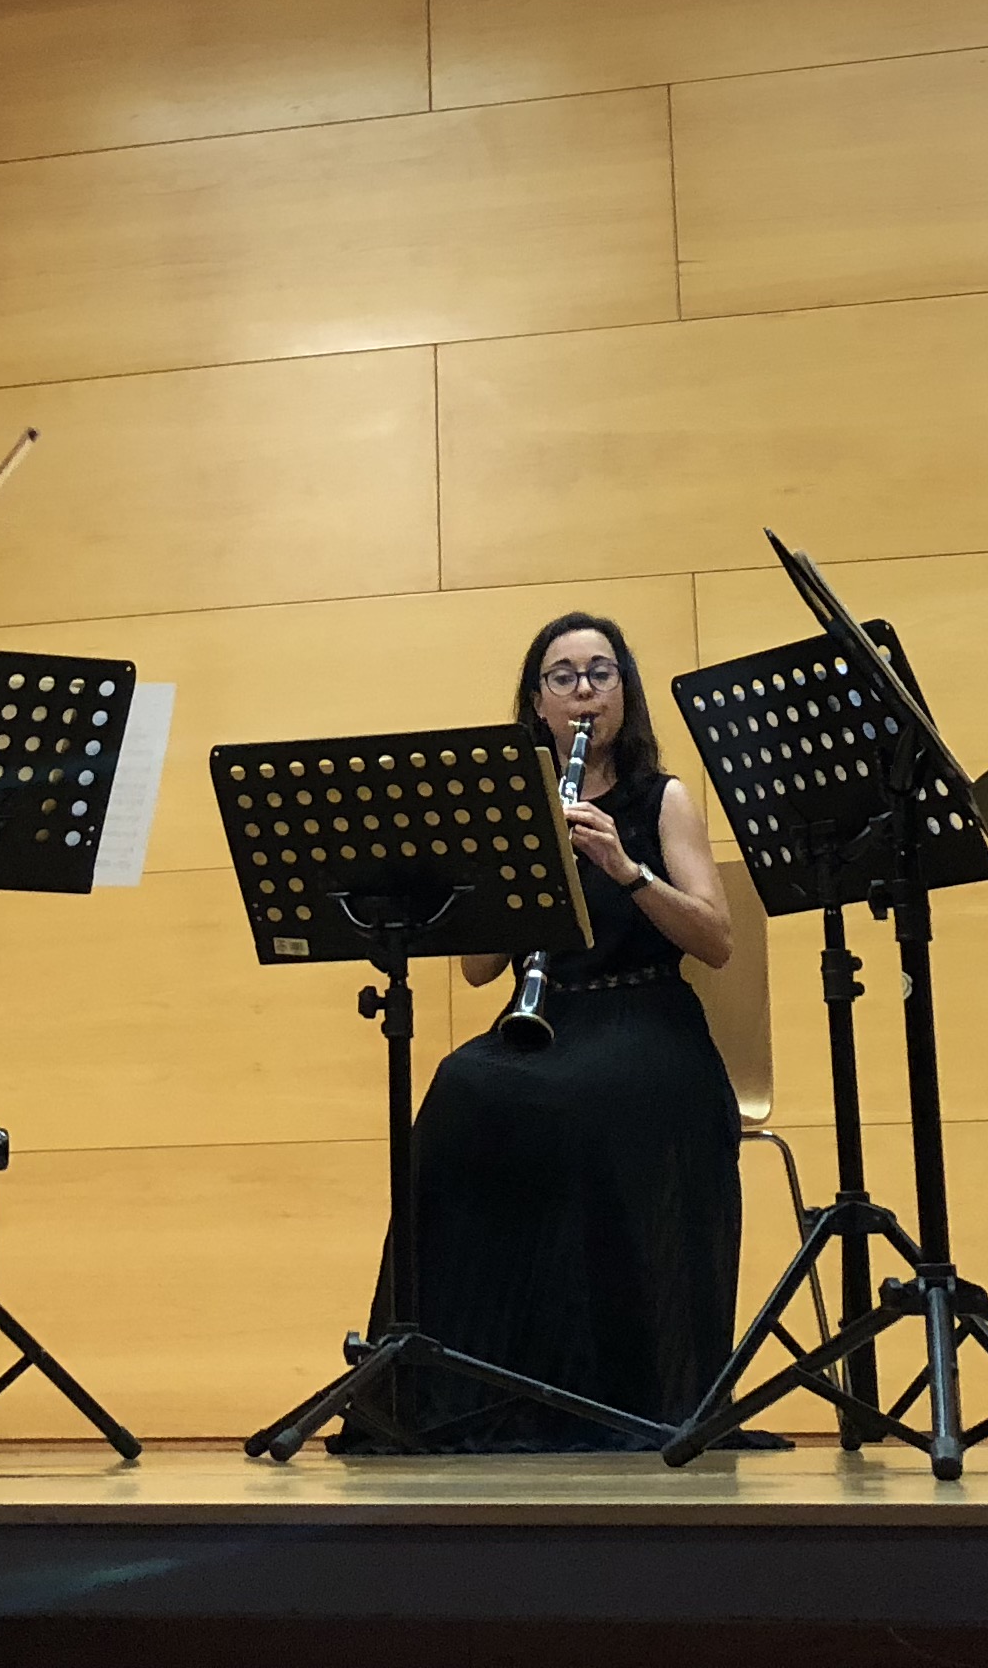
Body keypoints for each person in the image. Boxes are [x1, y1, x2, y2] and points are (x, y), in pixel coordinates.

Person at [349, 613, 743, 1452]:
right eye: (563, 676)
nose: (584, 691)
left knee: (580, 1105)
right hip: (550, 1013)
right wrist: (506, 865)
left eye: (601, 672)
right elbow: (480, 970)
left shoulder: (659, 798)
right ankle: (454, 1391)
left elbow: (714, 938)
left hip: (646, 1016)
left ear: (624, 693)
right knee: (464, 1086)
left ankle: (610, 1395)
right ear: (536, 702)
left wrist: (622, 869)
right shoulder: (514, 802)